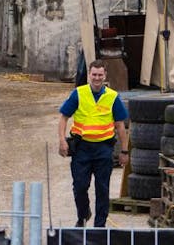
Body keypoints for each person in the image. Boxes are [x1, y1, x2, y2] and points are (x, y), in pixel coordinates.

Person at [57, 60, 129, 228]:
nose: (97, 78)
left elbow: (120, 126)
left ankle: (100, 226)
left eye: (100, 75)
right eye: (94, 74)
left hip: (104, 149)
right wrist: (62, 140)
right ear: (89, 75)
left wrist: (124, 151)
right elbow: (64, 118)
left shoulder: (112, 97)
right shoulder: (79, 94)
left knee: (102, 189)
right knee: (80, 186)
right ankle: (83, 215)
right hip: (81, 149)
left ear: (105, 76)